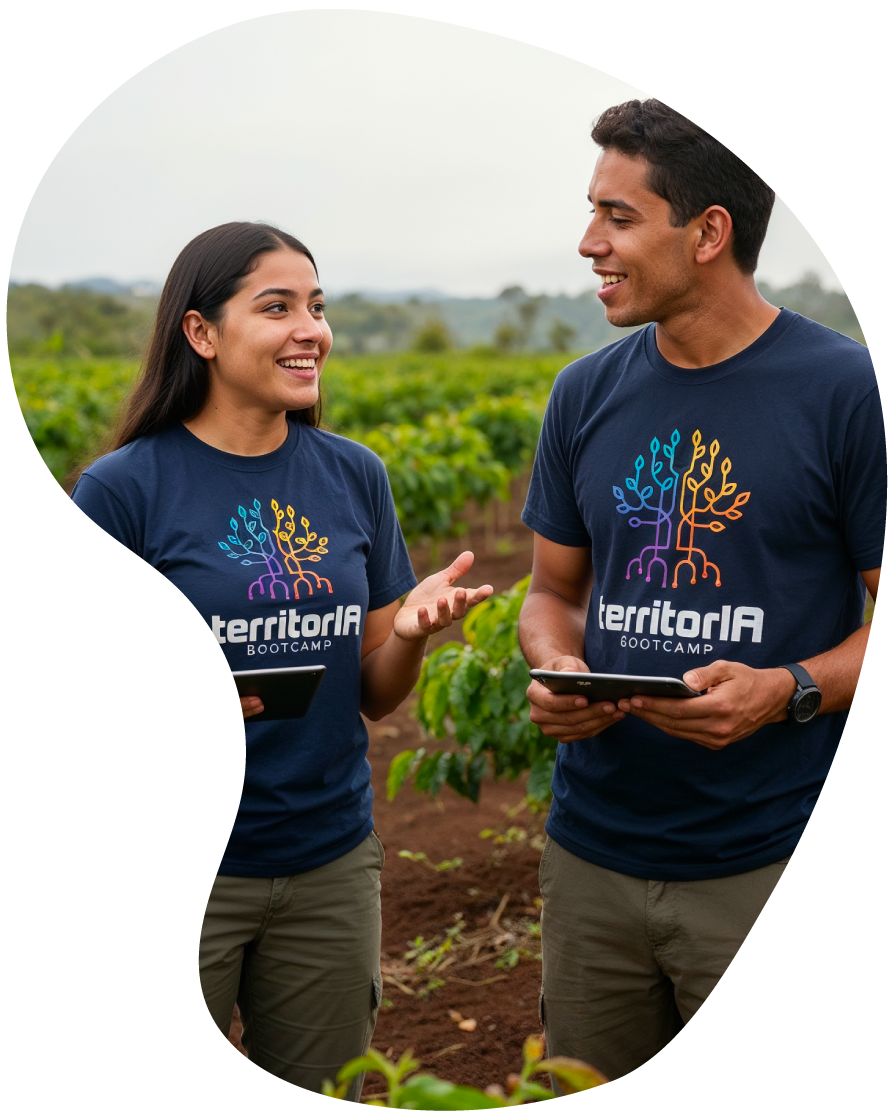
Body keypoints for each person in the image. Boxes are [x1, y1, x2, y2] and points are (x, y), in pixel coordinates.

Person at [63, 221, 493, 1118]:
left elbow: (373, 697)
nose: (310, 329)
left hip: (326, 860)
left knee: (319, 1102)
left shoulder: (353, 476)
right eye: (277, 307)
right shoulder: (124, 489)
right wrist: (184, 708)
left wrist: (408, 631)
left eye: (318, 306)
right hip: (170, 864)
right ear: (201, 334)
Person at [519, 99, 886, 1098]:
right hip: (592, 854)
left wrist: (789, 687)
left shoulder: (853, 393)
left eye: (619, 217)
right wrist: (553, 665)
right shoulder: (584, 393)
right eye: (592, 213)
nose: (589, 242)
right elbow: (552, 592)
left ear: (709, 232)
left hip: (777, 863)